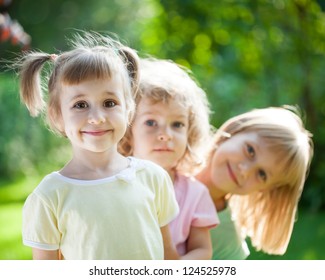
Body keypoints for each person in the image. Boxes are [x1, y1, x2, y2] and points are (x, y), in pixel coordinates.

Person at [17, 32, 179, 260]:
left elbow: (169, 256)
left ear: (128, 109)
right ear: (56, 115)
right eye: (80, 104)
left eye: (109, 103)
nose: (97, 117)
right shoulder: (49, 197)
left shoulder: (153, 178)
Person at [119, 57, 219, 260]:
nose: (166, 134)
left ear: (190, 132)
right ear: (128, 130)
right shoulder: (111, 182)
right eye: (151, 122)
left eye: (177, 124)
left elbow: (202, 250)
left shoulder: (195, 194)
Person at [195, 106, 314, 259]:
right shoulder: (164, 160)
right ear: (235, 131)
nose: (245, 170)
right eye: (250, 151)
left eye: (262, 174)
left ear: (265, 189)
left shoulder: (228, 245)